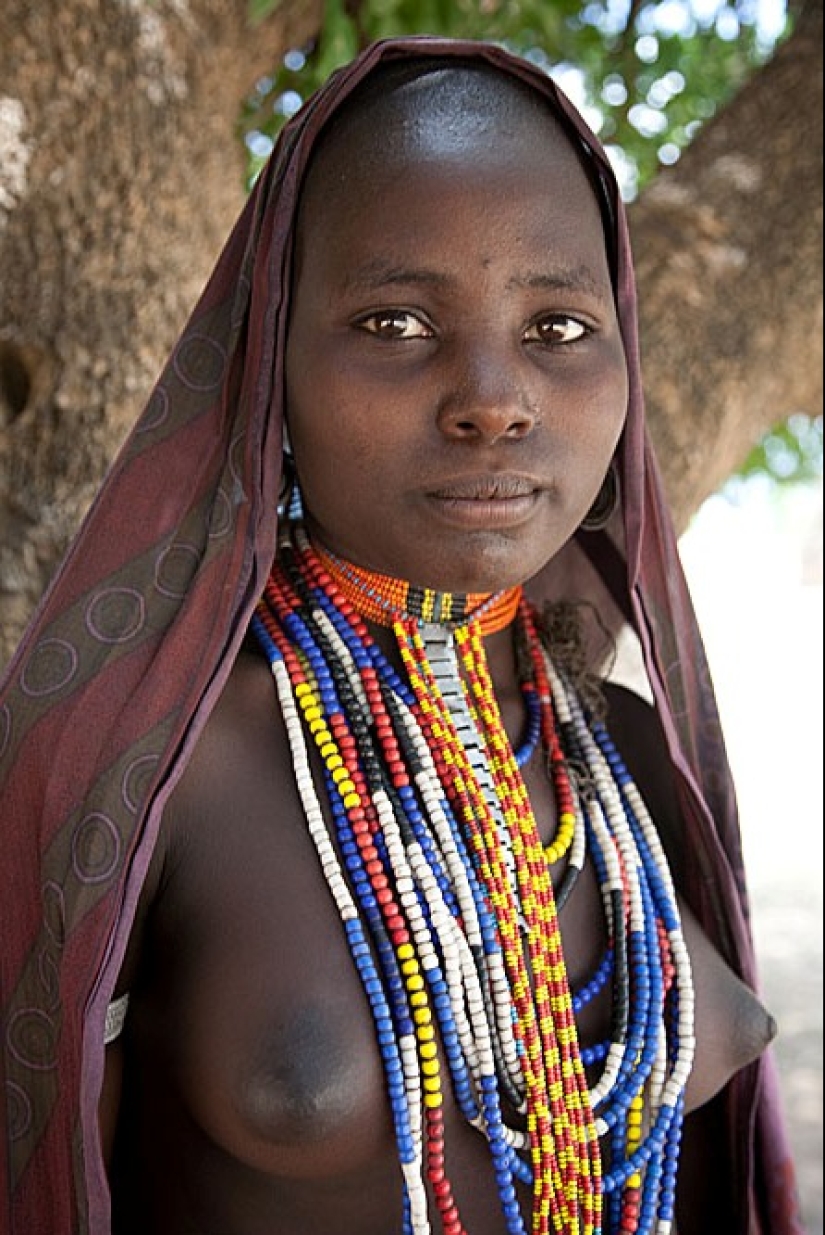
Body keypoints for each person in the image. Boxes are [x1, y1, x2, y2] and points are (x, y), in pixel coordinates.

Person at [0, 36, 803, 1235]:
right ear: (271, 369)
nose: (495, 394)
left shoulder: (629, 749)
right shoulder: (143, 766)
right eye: (392, 319)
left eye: (560, 327)